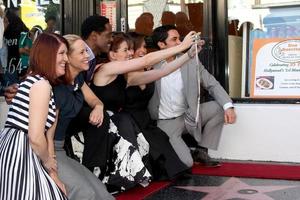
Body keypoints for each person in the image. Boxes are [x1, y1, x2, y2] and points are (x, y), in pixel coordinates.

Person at [86, 31, 196, 186]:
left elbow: (162, 71)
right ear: (112, 54)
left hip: (119, 125)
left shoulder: (124, 76)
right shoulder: (105, 69)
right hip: (102, 127)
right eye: (126, 50)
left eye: (131, 49)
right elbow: (145, 61)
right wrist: (182, 46)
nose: (131, 53)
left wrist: (188, 55)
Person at [148, 25, 237, 168]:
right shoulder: (150, 64)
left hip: (188, 116)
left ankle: (201, 151)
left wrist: (229, 106)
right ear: (161, 44)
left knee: (219, 107)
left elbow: (211, 83)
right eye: (174, 39)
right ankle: (189, 153)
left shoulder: (190, 61)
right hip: (166, 123)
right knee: (186, 163)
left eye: (180, 39)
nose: (180, 43)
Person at [124, 31, 202, 180]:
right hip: (131, 123)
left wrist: (189, 54)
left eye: (145, 47)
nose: (143, 51)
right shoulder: (126, 74)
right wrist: (183, 46)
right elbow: (150, 62)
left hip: (147, 121)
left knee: (179, 165)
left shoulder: (149, 68)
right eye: (138, 48)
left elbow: (165, 70)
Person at [0, 33, 68, 200]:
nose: (66, 59)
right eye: (61, 53)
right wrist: (48, 163)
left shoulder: (36, 82)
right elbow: (37, 137)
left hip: (18, 149)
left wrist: (53, 175)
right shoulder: (41, 85)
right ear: (47, 55)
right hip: (21, 151)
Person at [53, 34, 114, 200]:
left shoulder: (77, 78)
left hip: (60, 150)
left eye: (86, 51)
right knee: (85, 193)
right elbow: (42, 135)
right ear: (68, 57)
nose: (88, 55)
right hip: (48, 151)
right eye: (82, 52)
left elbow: (94, 99)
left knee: (102, 193)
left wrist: (99, 107)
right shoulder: (56, 86)